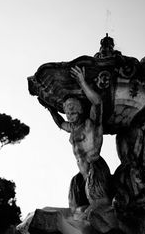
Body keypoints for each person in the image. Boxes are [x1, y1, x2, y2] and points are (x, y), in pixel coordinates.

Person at [47, 66, 117, 232]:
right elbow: (59, 123)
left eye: (71, 108)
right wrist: (49, 107)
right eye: (66, 109)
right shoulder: (72, 128)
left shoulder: (91, 124)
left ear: (80, 108)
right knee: (76, 209)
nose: (68, 112)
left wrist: (82, 82)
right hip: (82, 173)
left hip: (95, 169)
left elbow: (98, 102)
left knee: (98, 210)